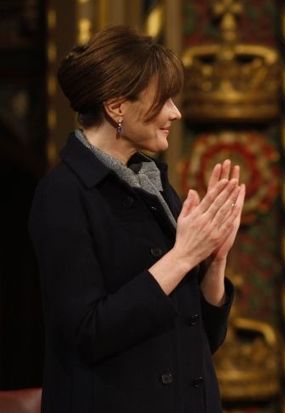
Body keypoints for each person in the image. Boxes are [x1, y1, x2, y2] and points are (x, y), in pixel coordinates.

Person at [28, 26, 245, 412]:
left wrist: (213, 259)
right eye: (163, 100)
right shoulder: (63, 194)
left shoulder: (154, 184)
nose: (175, 113)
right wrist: (181, 257)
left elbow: (203, 338)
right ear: (117, 108)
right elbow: (88, 332)